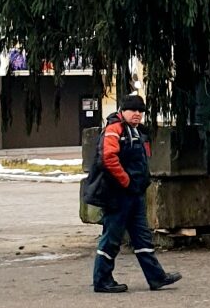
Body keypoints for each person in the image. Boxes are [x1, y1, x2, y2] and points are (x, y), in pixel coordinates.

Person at [83, 94, 181, 293]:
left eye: (140, 111)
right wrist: (126, 181)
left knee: (142, 238)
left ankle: (156, 278)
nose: (137, 114)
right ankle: (102, 281)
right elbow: (108, 158)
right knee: (112, 238)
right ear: (123, 111)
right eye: (133, 110)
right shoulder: (114, 129)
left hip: (135, 194)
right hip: (118, 195)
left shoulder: (136, 131)